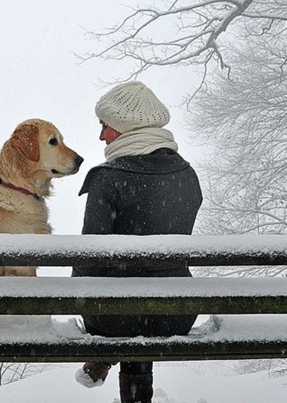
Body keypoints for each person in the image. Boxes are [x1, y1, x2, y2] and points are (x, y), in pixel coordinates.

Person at [72, 81, 202, 403]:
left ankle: (106, 356)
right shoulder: (188, 176)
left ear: (126, 127)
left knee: (126, 306)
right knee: (141, 303)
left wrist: (81, 303)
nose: (101, 136)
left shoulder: (107, 178)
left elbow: (90, 258)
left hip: (116, 315)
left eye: (105, 126)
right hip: (177, 313)